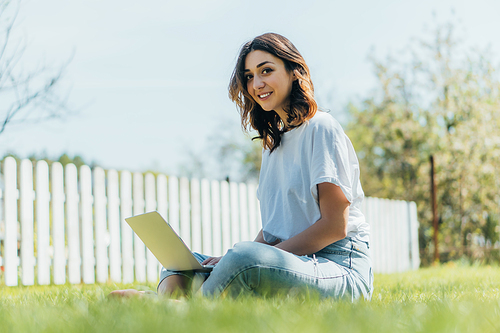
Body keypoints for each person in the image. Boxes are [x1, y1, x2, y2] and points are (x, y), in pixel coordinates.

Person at [111, 33, 373, 301]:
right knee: (181, 266)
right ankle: (170, 304)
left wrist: (254, 259)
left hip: (339, 266)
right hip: (295, 262)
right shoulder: (273, 146)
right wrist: (229, 261)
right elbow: (274, 231)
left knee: (245, 257)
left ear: (294, 72)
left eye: (266, 71)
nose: (257, 84)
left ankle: (178, 311)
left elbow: (334, 226)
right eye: (249, 76)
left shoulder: (321, 127)